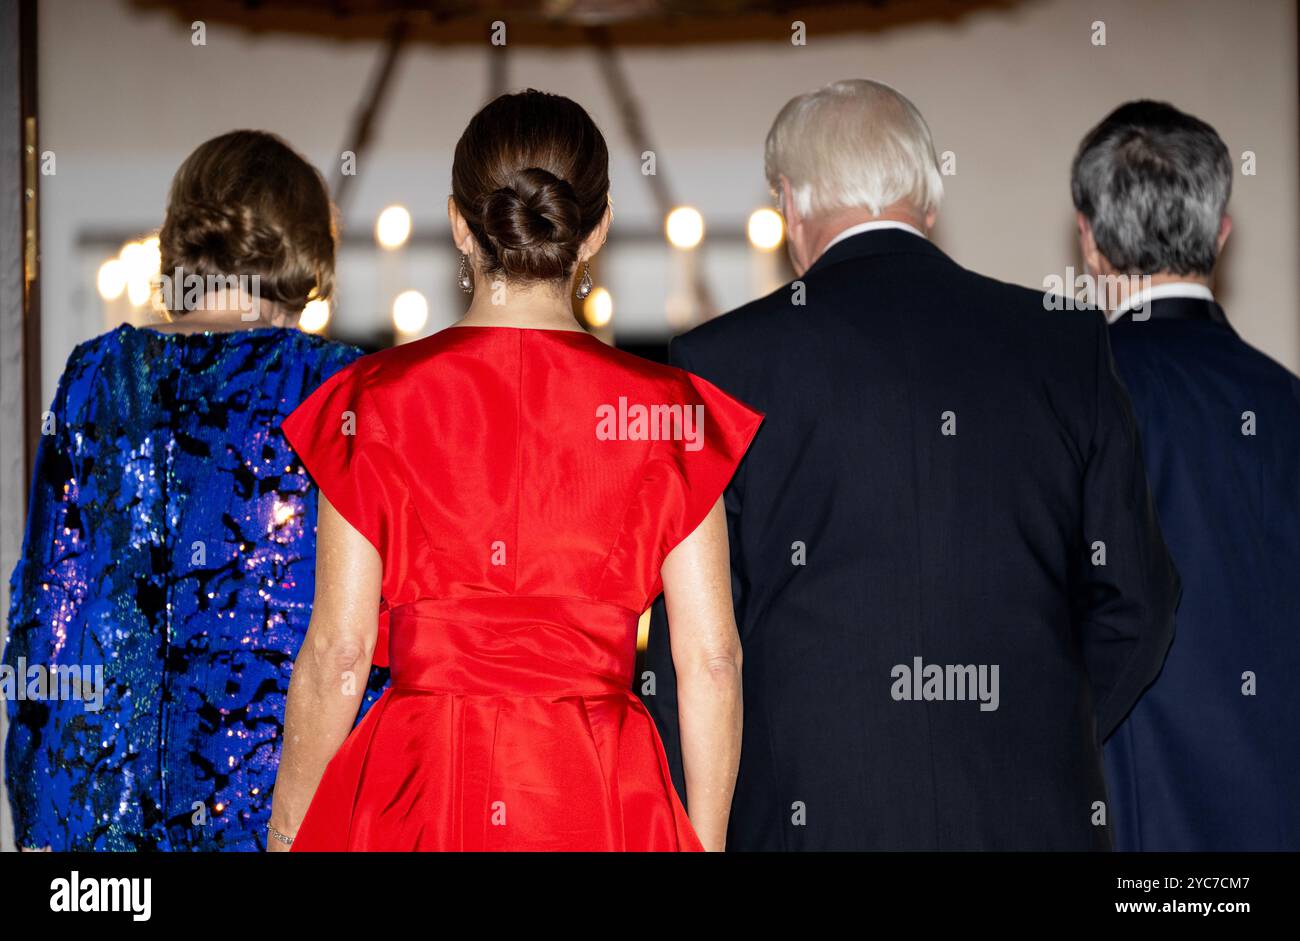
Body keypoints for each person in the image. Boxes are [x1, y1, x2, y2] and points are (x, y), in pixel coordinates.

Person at [642, 79, 1180, 851]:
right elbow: (1139, 601)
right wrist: (1046, 725)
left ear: (790, 203)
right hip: (1028, 821)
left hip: (805, 818)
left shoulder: (721, 364)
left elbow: (695, 653)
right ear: (928, 198)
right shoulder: (1061, 342)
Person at [267, 90, 761, 852]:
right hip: (596, 785)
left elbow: (338, 654)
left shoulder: (373, 401)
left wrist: (289, 830)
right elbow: (712, 661)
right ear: (595, 231)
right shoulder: (668, 412)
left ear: (460, 224)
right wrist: (707, 841)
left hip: (418, 785)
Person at [2, 130, 387, 851]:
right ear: (303, 248)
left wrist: (37, 818)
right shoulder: (337, 386)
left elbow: (44, 616)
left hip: (104, 821)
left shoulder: (97, 376)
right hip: (280, 811)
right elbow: (365, 642)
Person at [1072, 101, 1300, 851]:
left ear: (1090, 244)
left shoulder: (1065, 399)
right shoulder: (1287, 401)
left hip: (1136, 817)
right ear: (1221, 233)